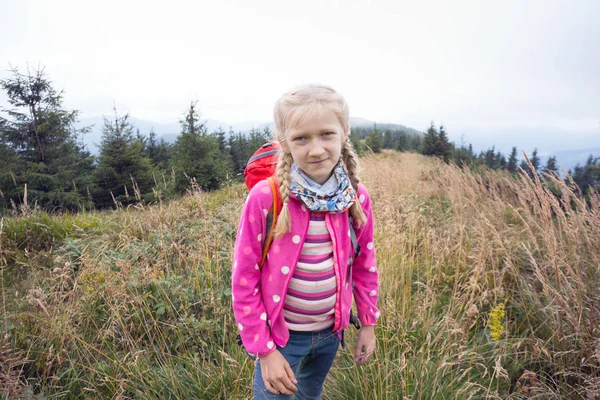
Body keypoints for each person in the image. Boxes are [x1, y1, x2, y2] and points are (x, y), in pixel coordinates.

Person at [231, 84, 380, 399]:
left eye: (327, 134)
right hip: (281, 340)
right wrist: (264, 351)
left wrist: (367, 323)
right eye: (301, 138)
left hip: (329, 335)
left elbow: (365, 263)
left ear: (345, 132)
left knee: (309, 393)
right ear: (284, 142)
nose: (316, 149)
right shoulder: (266, 198)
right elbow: (244, 279)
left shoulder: (355, 196)